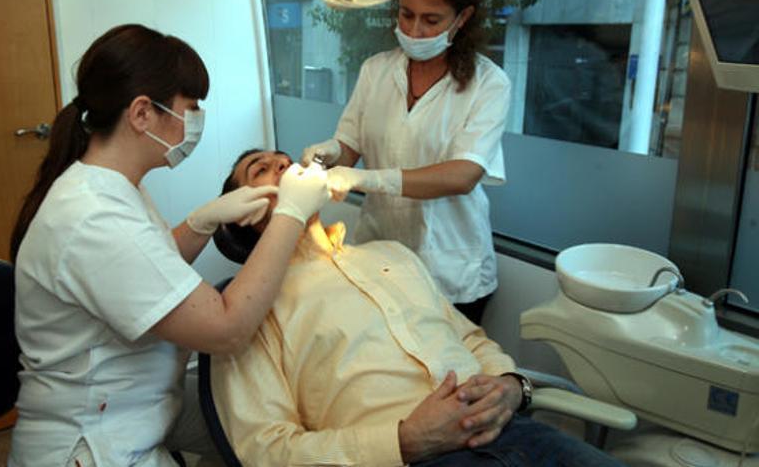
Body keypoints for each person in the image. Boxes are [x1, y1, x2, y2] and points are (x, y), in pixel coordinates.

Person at [7, 25, 329, 467]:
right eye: (190, 109)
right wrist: (290, 214)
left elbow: (140, 274)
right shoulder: (92, 217)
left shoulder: (114, 188)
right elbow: (226, 329)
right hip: (96, 440)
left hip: (142, 407)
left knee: (265, 434)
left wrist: (199, 223)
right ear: (142, 114)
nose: (196, 121)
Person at [209, 149, 626, 467]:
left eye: (284, 160)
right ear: (244, 214)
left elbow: (469, 338)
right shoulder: (244, 314)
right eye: (261, 171)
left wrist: (512, 385)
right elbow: (266, 450)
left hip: (515, 431)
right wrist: (405, 440)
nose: (282, 165)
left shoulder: (390, 255)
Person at [302, 0, 509, 324]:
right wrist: (329, 153)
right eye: (406, 14)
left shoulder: (488, 84)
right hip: (381, 258)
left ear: (463, 17)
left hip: (451, 269)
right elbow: (350, 145)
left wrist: (365, 179)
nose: (414, 31)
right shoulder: (376, 71)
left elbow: (463, 174)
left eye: (431, 20)